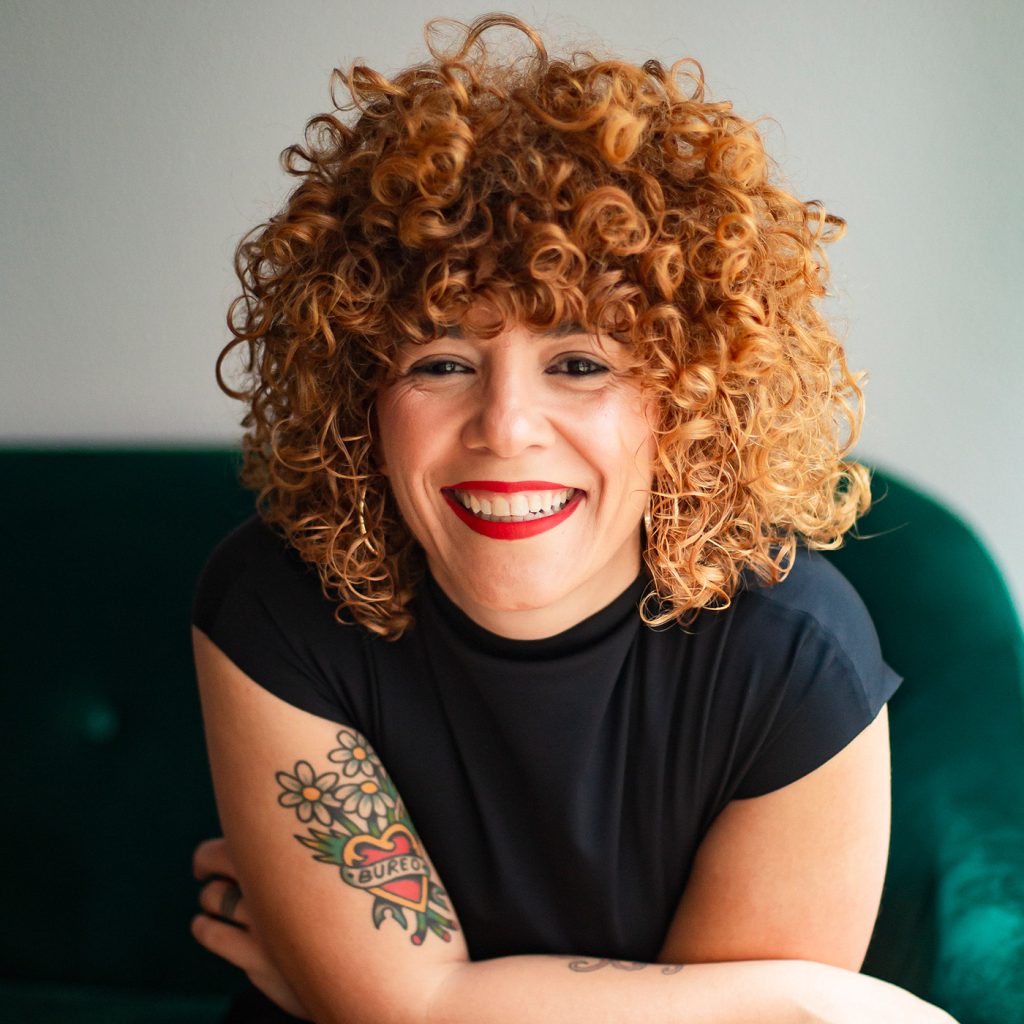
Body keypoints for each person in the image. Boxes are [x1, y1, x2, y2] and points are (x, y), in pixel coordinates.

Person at [189, 13, 958, 1023]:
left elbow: (408, 1011)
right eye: (441, 362)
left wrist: (400, 997)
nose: (505, 427)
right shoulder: (276, 602)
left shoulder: (798, 659)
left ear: (687, 398)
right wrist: (799, 999)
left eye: (580, 363)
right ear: (360, 392)